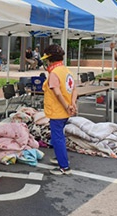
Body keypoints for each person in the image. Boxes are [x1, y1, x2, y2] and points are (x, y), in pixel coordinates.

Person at [41, 44, 77, 175]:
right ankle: (60, 157)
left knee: (57, 138)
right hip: (66, 111)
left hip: (57, 112)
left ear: (50, 59)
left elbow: (57, 93)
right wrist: (72, 104)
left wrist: (67, 105)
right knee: (59, 136)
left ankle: (64, 166)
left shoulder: (54, 74)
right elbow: (74, 89)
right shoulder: (66, 70)